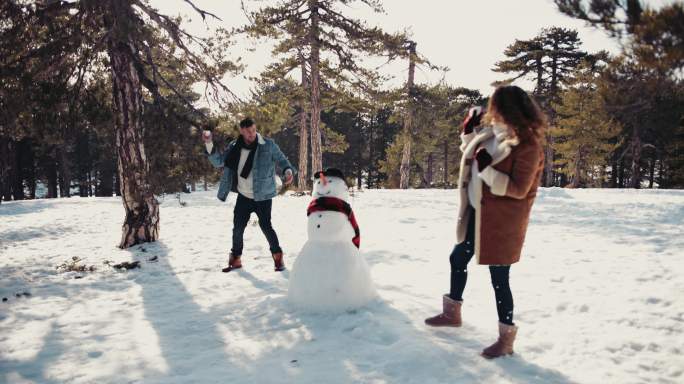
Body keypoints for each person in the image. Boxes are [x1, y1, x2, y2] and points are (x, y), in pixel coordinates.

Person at [424, 85, 547, 359]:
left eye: (496, 107)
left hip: (502, 223)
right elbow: (472, 154)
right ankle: (452, 314)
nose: (492, 111)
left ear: (509, 109)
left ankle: (506, 341)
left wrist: (488, 169)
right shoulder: (494, 133)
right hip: (477, 215)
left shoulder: (528, 146)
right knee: (458, 258)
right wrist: (468, 132)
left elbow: (518, 189)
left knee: (499, 279)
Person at [202, 118, 296, 273]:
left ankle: (278, 257)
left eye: (253, 130)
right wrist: (208, 143)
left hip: (263, 197)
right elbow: (218, 162)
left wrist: (288, 171)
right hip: (244, 196)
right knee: (237, 228)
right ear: (241, 132)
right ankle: (236, 258)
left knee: (266, 226)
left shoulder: (268, 145)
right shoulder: (235, 146)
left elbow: (283, 162)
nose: (252, 134)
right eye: (248, 132)